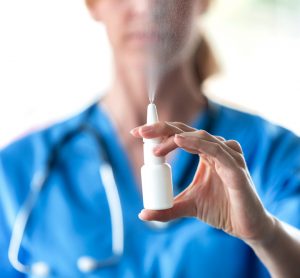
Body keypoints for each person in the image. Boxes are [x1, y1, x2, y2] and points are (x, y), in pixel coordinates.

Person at [1, 0, 300, 277]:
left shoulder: (277, 157)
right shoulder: (18, 171)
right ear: (93, 4)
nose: (147, 7)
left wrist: (268, 235)